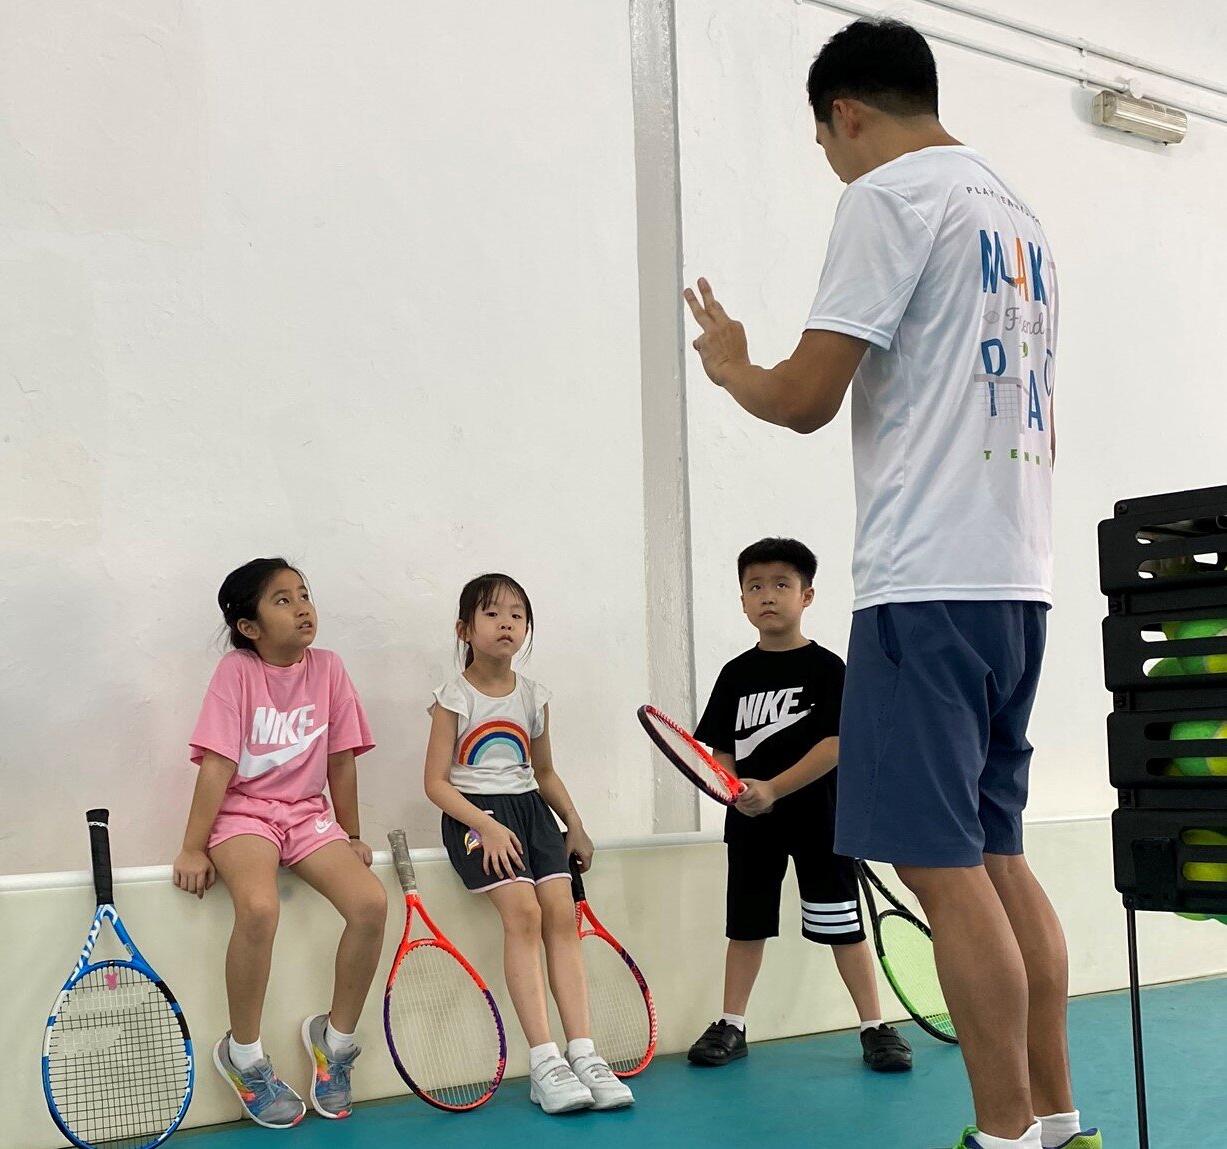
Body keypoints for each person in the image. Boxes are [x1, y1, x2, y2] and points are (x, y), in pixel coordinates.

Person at [682, 18, 1093, 1149]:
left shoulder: (888, 195)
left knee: (941, 866)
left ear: (845, 113)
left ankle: (1002, 1137)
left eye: (825, 143)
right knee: (996, 855)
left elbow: (805, 396)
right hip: (1017, 580)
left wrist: (730, 368)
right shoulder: (1015, 214)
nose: (832, 164)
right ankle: (1056, 1126)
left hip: (925, 582)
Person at [173, 557, 387, 1128]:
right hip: (243, 814)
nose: (302, 608)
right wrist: (193, 847)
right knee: (260, 907)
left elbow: (340, 759)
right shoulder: (236, 674)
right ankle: (243, 1056)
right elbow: (217, 767)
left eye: (304, 595)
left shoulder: (330, 669)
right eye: (283, 600)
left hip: (306, 816)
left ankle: (334, 1044)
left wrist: (353, 833)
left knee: (370, 903)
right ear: (250, 626)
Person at [686, 538, 911, 1074]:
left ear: (807, 595)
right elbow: (720, 748)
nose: (768, 596)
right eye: (755, 586)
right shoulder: (735, 674)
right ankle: (732, 1024)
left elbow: (837, 746)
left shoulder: (830, 668)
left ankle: (874, 1027)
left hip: (821, 823)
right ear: (742, 601)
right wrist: (734, 787)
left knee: (843, 928)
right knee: (746, 926)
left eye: (781, 584)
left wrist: (775, 790)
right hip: (749, 827)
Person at [422, 573, 633, 1114]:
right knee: (523, 916)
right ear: (464, 629)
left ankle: (583, 1054)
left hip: (534, 816)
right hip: (476, 817)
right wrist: (486, 826)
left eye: (517, 614)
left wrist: (576, 825)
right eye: (492, 614)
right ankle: (545, 1062)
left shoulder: (536, 697)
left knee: (560, 916)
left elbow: (544, 771)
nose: (507, 624)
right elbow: (436, 783)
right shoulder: (453, 696)